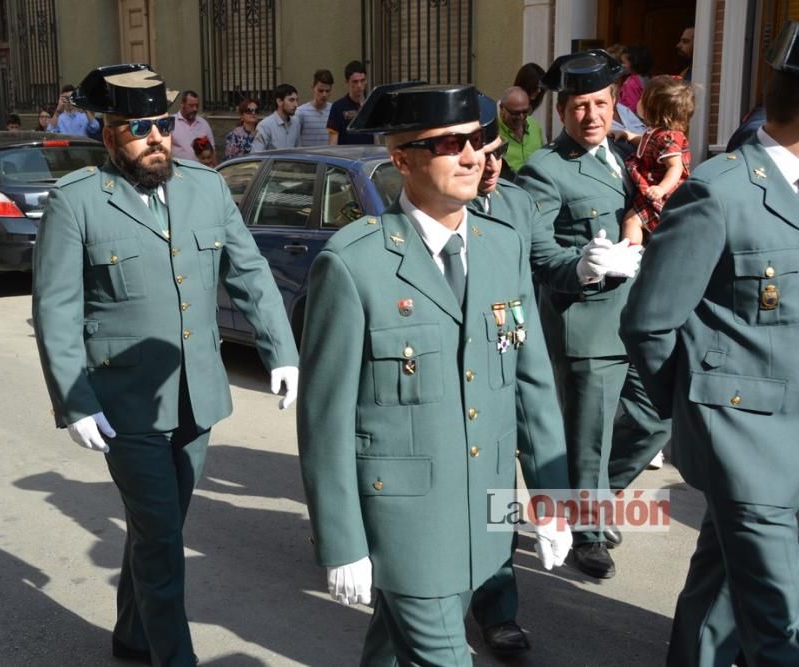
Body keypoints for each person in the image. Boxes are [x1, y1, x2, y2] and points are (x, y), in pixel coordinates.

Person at [298, 81, 572, 666]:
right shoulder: (355, 263)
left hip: (483, 515)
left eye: (475, 140)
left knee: (390, 652)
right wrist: (342, 541)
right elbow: (326, 421)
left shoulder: (502, 247)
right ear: (402, 159)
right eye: (450, 144)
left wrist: (552, 497)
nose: (474, 156)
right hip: (406, 524)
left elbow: (532, 386)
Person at [32, 64, 298, 665]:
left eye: (161, 124)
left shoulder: (205, 188)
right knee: (162, 538)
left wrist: (280, 349)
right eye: (138, 128)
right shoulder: (76, 203)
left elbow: (250, 272)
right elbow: (55, 309)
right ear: (109, 136)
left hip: (196, 395)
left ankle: (132, 634)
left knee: (160, 528)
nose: (155, 137)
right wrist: (74, 399)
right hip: (123, 404)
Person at [621, 21, 799, 667]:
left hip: (791, 440)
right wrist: (702, 413)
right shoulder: (720, 192)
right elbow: (649, 322)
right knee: (779, 626)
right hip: (746, 447)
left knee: (719, 592)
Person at [514, 50, 670, 580]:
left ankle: (599, 497)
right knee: (587, 437)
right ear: (561, 112)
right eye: (579, 107)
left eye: (600, 104)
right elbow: (540, 253)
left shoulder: (630, 154)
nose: (592, 116)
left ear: (613, 104)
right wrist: (580, 264)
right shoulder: (547, 169)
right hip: (587, 322)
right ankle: (588, 532)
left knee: (656, 417)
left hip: (641, 318)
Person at [464, 93, 565, 655]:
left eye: (499, 151)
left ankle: (498, 608)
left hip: (500, 370)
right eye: (482, 151)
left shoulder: (517, 208)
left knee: (497, 501)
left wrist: (585, 264)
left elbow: (542, 263)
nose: (493, 164)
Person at [619, 75, 695, 245]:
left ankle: (631, 254)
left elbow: (675, 167)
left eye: (642, 97)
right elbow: (647, 144)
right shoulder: (656, 132)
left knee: (631, 221)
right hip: (653, 188)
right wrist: (628, 136)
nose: (638, 100)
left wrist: (661, 189)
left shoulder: (670, 137)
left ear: (652, 108)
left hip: (662, 193)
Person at [498, 86, 543, 178]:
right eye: (515, 113)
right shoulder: (492, 132)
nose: (521, 117)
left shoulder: (534, 125)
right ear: (502, 108)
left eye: (525, 111)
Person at [327, 60, 372, 145]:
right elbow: (332, 143)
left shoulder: (371, 105)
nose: (359, 85)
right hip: (347, 156)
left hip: (368, 155)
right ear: (347, 82)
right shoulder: (338, 107)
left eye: (362, 80)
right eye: (355, 81)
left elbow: (375, 137)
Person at [252, 83, 300, 152]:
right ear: (279, 101)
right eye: (291, 100)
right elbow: (256, 155)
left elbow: (298, 151)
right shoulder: (265, 126)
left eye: (296, 100)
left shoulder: (296, 123)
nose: (296, 104)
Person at [170, 90, 215, 161]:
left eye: (197, 106)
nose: (195, 109)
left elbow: (212, 151)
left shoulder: (203, 124)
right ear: (182, 104)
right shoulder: (171, 122)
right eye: (191, 105)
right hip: (179, 170)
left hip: (200, 169)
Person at [296, 69, 333, 147]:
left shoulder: (334, 110)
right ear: (313, 88)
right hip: (308, 158)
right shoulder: (301, 112)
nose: (324, 94)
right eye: (320, 91)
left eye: (327, 91)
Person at [617, 45, 653, 112]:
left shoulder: (632, 83)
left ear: (634, 63)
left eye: (624, 62)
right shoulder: (646, 77)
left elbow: (632, 107)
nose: (622, 65)